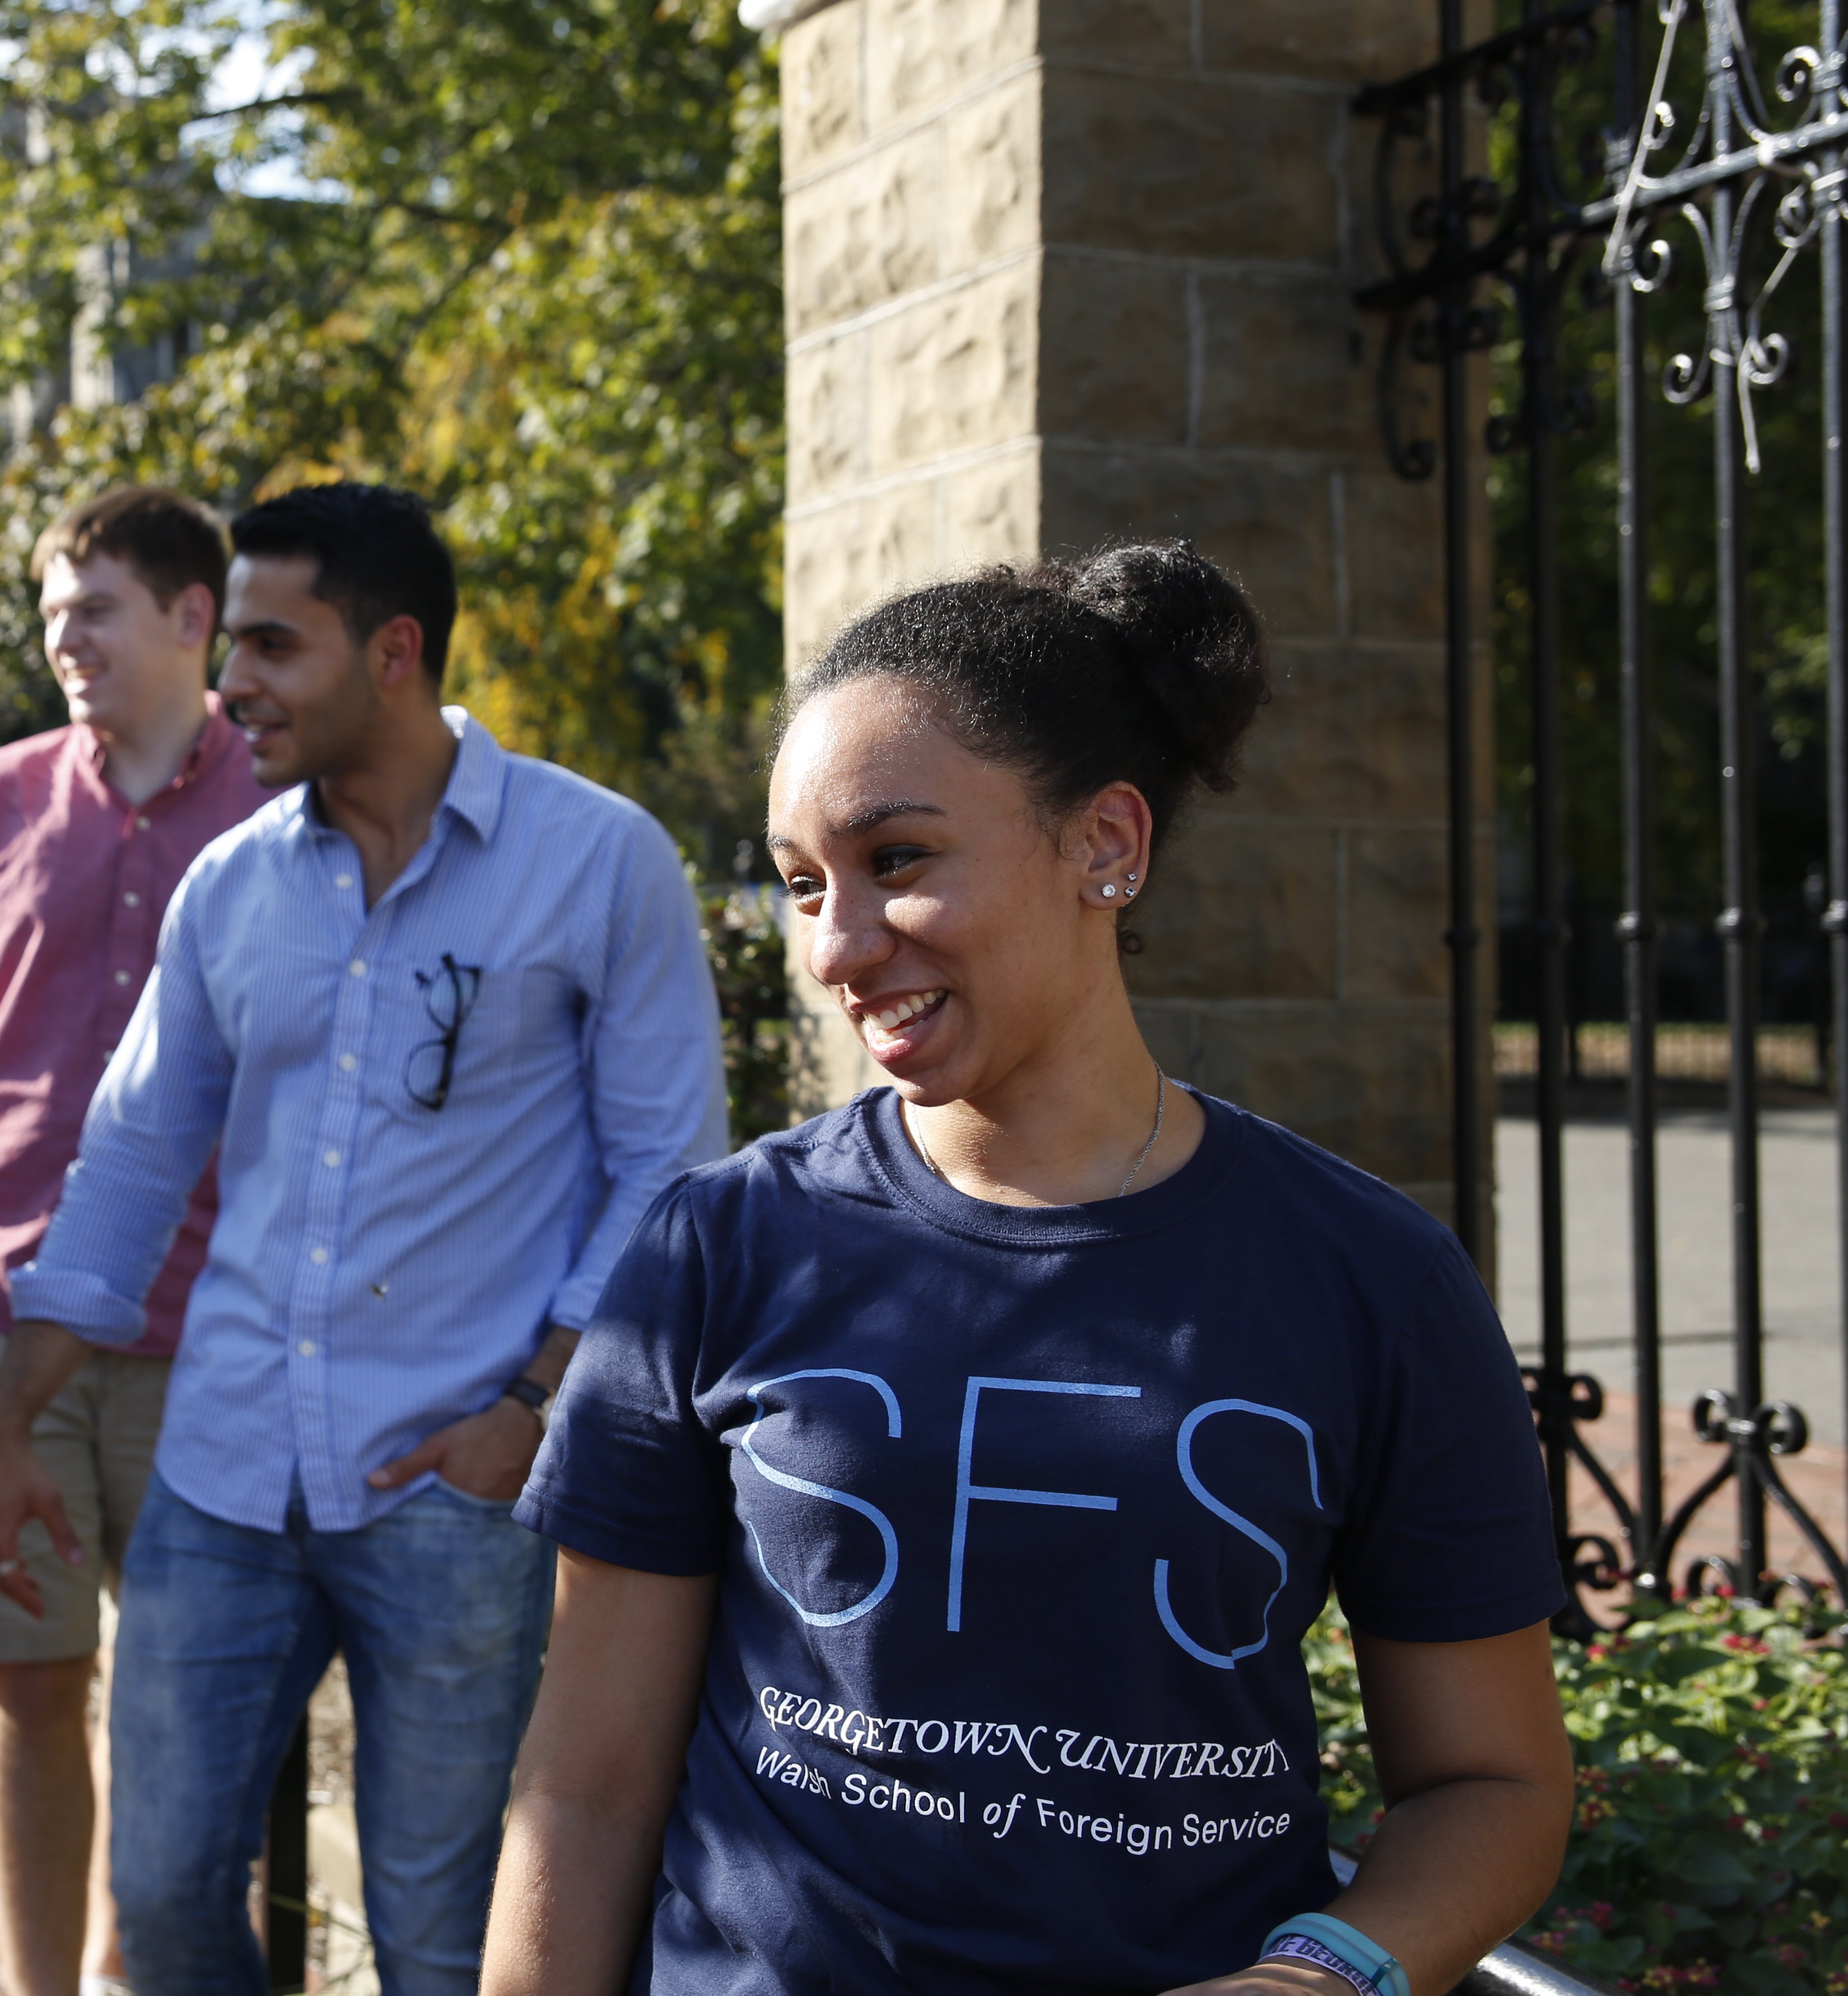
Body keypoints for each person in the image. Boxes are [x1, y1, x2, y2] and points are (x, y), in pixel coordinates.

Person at [481, 546, 1573, 1996]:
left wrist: (1326, 1972)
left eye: (899, 861)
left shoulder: (1369, 1280)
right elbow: (585, 1787)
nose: (836, 948)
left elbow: (1494, 1784)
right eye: (803, 884)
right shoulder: (720, 1248)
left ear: (1105, 845)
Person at [0, 482, 727, 1996]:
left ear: (394, 651)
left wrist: (532, 1412)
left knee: (441, 1936)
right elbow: (130, 1161)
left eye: (269, 644)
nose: (231, 680)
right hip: (224, 1473)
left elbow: (666, 1173)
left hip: (455, 1489)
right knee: (168, 1895)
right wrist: (10, 1417)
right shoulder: (233, 885)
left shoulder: (598, 861)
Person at [0, 487, 268, 1996]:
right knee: (23, 1688)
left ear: (192, 616)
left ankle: (136, 1972)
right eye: (48, 614)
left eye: (92, 607)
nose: (60, 640)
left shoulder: (283, 807)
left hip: (207, 1325)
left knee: (193, 1699)